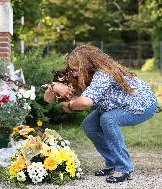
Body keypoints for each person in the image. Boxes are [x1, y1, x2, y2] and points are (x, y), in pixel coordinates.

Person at [44, 45, 157, 183]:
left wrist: (69, 104)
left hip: (142, 104)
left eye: (76, 70)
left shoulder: (103, 74)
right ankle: (112, 163)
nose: (73, 74)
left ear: (88, 66)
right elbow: (48, 99)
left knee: (108, 119)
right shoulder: (72, 73)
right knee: (89, 125)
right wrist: (54, 86)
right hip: (113, 106)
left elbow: (85, 102)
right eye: (71, 70)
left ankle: (124, 167)